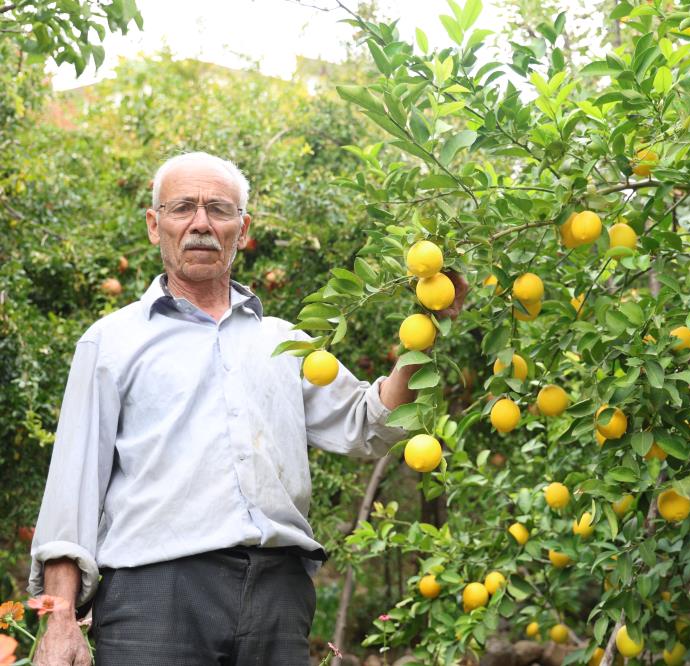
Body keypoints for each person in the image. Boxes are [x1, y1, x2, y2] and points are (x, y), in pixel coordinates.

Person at [28, 151, 467, 665]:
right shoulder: (111, 341)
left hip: (277, 594)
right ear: (153, 225)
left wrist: (424, 330)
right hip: (155, 594)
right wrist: (60, 617)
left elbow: (369, 425)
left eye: (218, 209)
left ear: (243, 228)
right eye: (182, 208)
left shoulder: (285, 342)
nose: (200, 223)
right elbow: (72, 488)